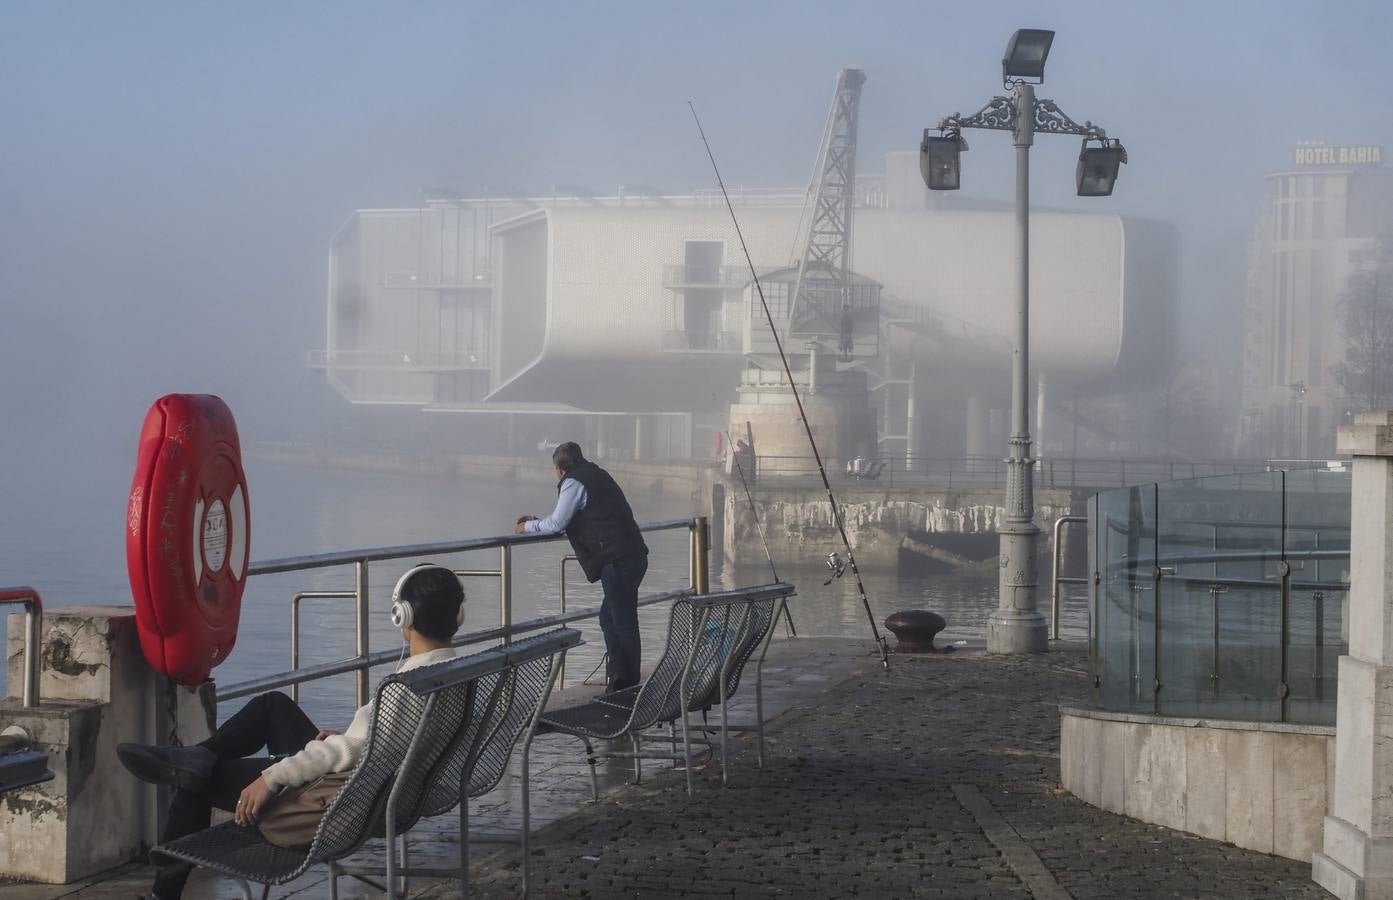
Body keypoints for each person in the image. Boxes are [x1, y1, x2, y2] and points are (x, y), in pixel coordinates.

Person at [117, 564, 466, 900]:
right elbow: (378, 746)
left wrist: (272, 776)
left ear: (401, 616)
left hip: (342, 801)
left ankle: (164, 892)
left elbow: (361, 751)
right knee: (273, 706)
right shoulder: (456, 673)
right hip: (379, 789)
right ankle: (200, 754)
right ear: (457, 617)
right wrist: (345, 742)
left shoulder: (405, 687)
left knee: (199, 783)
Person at [515, 441, 648, 692]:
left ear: (559, 469)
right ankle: (618, 675)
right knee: (609, 618)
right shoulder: (597, 475)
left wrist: (527, 527)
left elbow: (557, 523)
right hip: (632, 554)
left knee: (623, 622)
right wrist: (539, 520)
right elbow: (576, 515)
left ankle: (627, 683)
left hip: (617, 560)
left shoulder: (573, 482)